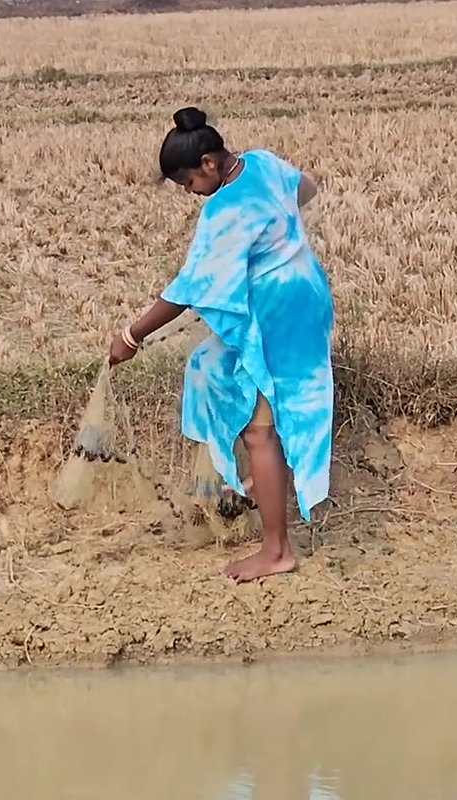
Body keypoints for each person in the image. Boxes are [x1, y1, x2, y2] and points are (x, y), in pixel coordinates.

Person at [108, 106, 335, 583]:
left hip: (279, 316)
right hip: (306, 295)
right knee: (210, 363)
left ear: (209, 164)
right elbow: (307, 189)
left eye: (189, 183)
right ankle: (254, 478)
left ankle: (277, 550)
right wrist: (277, 239)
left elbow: (187, 289)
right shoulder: (263, 162)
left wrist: (131, 336)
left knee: (260, 429)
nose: (191, 194)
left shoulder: (223, 209)